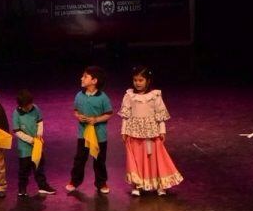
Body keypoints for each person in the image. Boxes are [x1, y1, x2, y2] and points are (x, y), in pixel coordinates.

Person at [119, 66, 184, 196]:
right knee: (137, 159)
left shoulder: (154, 96)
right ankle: (138, 184)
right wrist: (123, 131)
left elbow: (160, 115)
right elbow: (125, 115)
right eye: (135, 80)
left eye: (141, 80)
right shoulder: (129, 96)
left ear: (148, 81)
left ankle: (160, 184)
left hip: (152, 133)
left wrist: (162, 131)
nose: (137, 83)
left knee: (156, 158)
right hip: (135, 133)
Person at [66, 65, 114, 194]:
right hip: (83, 134)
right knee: (80, 159)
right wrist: (78, 116)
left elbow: (109, 113)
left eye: (85, 76)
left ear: (94, 81)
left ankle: (101, 182)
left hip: (99, 135)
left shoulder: (103, 97)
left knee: (99, 160)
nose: (82, 78)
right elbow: (75, 111)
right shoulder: (79, 95)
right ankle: (74, 181)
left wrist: (96, 120)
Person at [12, 89, 56, 197]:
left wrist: (39, 135)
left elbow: (39, 122)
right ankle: (22, 188)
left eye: (30, 105)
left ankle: (42, 186)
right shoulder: (16, 113)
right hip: (25, 149)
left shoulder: (35, 108)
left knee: (39, 167)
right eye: (26, 106)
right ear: (21, 105)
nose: (28, 108)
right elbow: (17, 132)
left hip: (37, 145)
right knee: (24, 170)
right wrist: (31, 140)